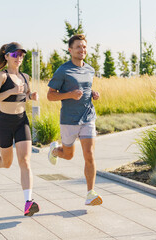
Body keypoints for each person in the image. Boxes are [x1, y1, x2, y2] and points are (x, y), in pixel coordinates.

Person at [0, 42, 40, 216]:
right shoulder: (1, 77)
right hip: (4, 123)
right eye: (15, 55)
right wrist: (11, 91)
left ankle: (28, 202)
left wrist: (30, 96)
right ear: (6, 56)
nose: (18, 58)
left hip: (22, 122)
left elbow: (24, 96)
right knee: (6, 163)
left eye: (21, 55)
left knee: (25, 161)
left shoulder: (25, 76)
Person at [47, 34, 103, 206]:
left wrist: (93, 94)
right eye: (78, 47)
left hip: (87, 117)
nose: (82, 50)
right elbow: (50, 95)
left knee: (90, 155)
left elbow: (87, 88)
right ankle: (55, 151)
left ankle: (90, 193)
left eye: (84, 47)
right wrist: (70, 95)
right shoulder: (63, 70)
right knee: (69, 155)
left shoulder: (90, 70)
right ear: (70, 50)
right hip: (69, 120)